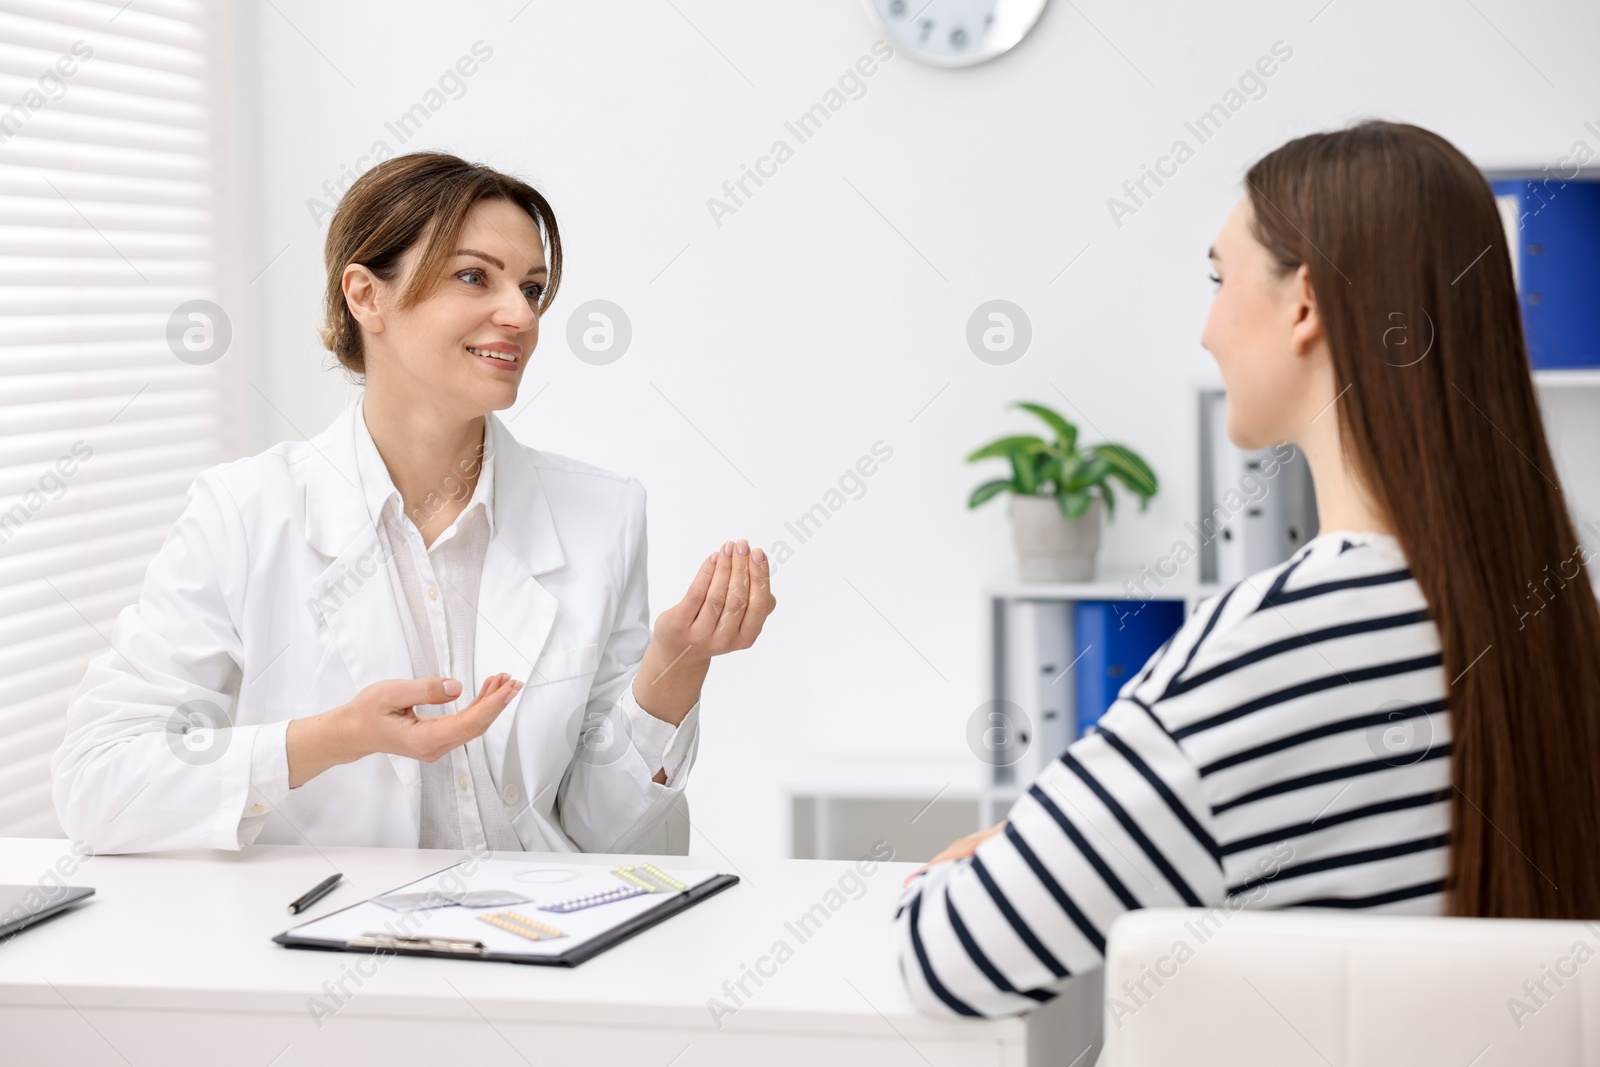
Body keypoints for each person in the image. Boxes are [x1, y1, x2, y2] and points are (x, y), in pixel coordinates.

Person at [894, 121, 1600, 1017]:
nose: (1207, 330)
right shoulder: (1561, 624)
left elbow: (949, 958)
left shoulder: (1266, 646)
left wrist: (979, 859)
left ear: (1305, 304)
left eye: (1220, 280)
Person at [52, 152, 776, 855]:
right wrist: (335, 736)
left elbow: (598, 834)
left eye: (530, 288)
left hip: (543, 945)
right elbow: (96, 782)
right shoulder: (245, 514)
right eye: (474, 277)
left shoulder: (602, 516)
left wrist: (676, 663)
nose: (518, 316)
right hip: (332, 949)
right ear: (366, 295)